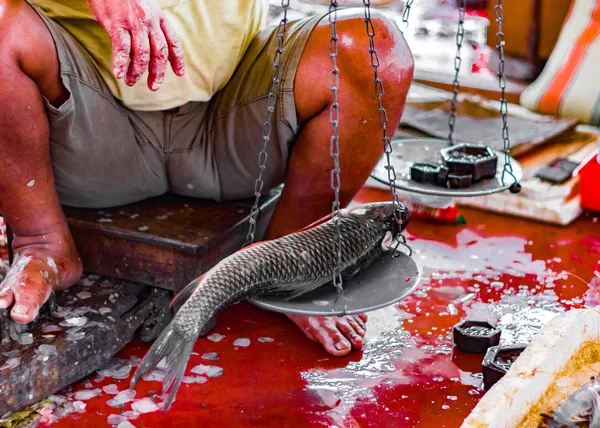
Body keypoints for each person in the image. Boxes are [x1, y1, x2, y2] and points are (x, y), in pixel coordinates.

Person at [0, 0, 413, 356]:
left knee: (375, 45)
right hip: (86, 129)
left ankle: (292, 260)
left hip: (231, 116)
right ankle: (42, 241)